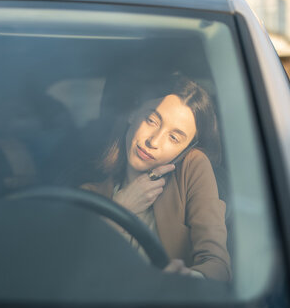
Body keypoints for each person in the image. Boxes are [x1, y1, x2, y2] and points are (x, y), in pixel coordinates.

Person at [82, 73, 231, 281]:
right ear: (133, 113)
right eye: (152, 120)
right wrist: (120, 209)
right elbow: (68, 266)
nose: (154, 141)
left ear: (186, 148)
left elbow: (218, 266)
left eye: (174, 137)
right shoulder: (89, 194)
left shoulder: (192, 166)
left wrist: (187, 279)